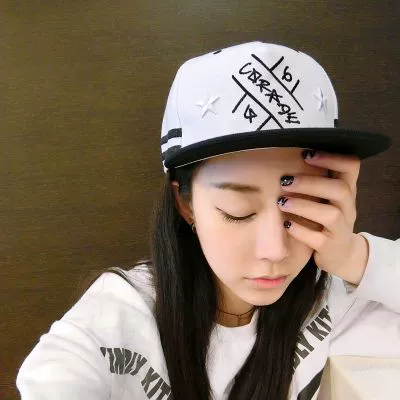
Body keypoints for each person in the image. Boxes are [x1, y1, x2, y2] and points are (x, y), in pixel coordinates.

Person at [16, 41, 399, 400]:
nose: (274, 250)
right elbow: (55, 376)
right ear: (185, 203)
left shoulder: (337, 300)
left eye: (302, 206)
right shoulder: (122, 316)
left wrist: (355, 256)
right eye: (238, 210)